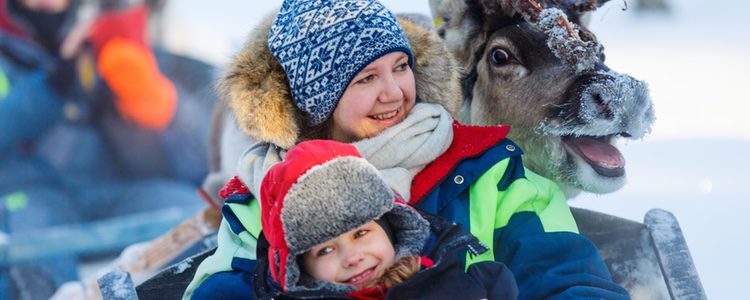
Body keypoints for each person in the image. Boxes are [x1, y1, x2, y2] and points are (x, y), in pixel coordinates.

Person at [186, 0, 630, 299]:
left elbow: (568, 278)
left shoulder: (490, 173)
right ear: (315, 104)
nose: (394, 93)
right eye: (365, 79)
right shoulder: (263, 201)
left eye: (400, 67)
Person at [1, 0, 209, 298]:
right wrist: (51, 85)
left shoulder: (110, 34)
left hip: (110, 193)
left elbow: (201, 158)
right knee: (34, 265)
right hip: (28, 198)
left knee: (200, 218)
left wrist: (161, 107)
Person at [196, 140, 519, 299]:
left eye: (361, 233)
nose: (351, 257)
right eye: (324, 250)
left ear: (392, 227)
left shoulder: (457, 282)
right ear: (300, 271)